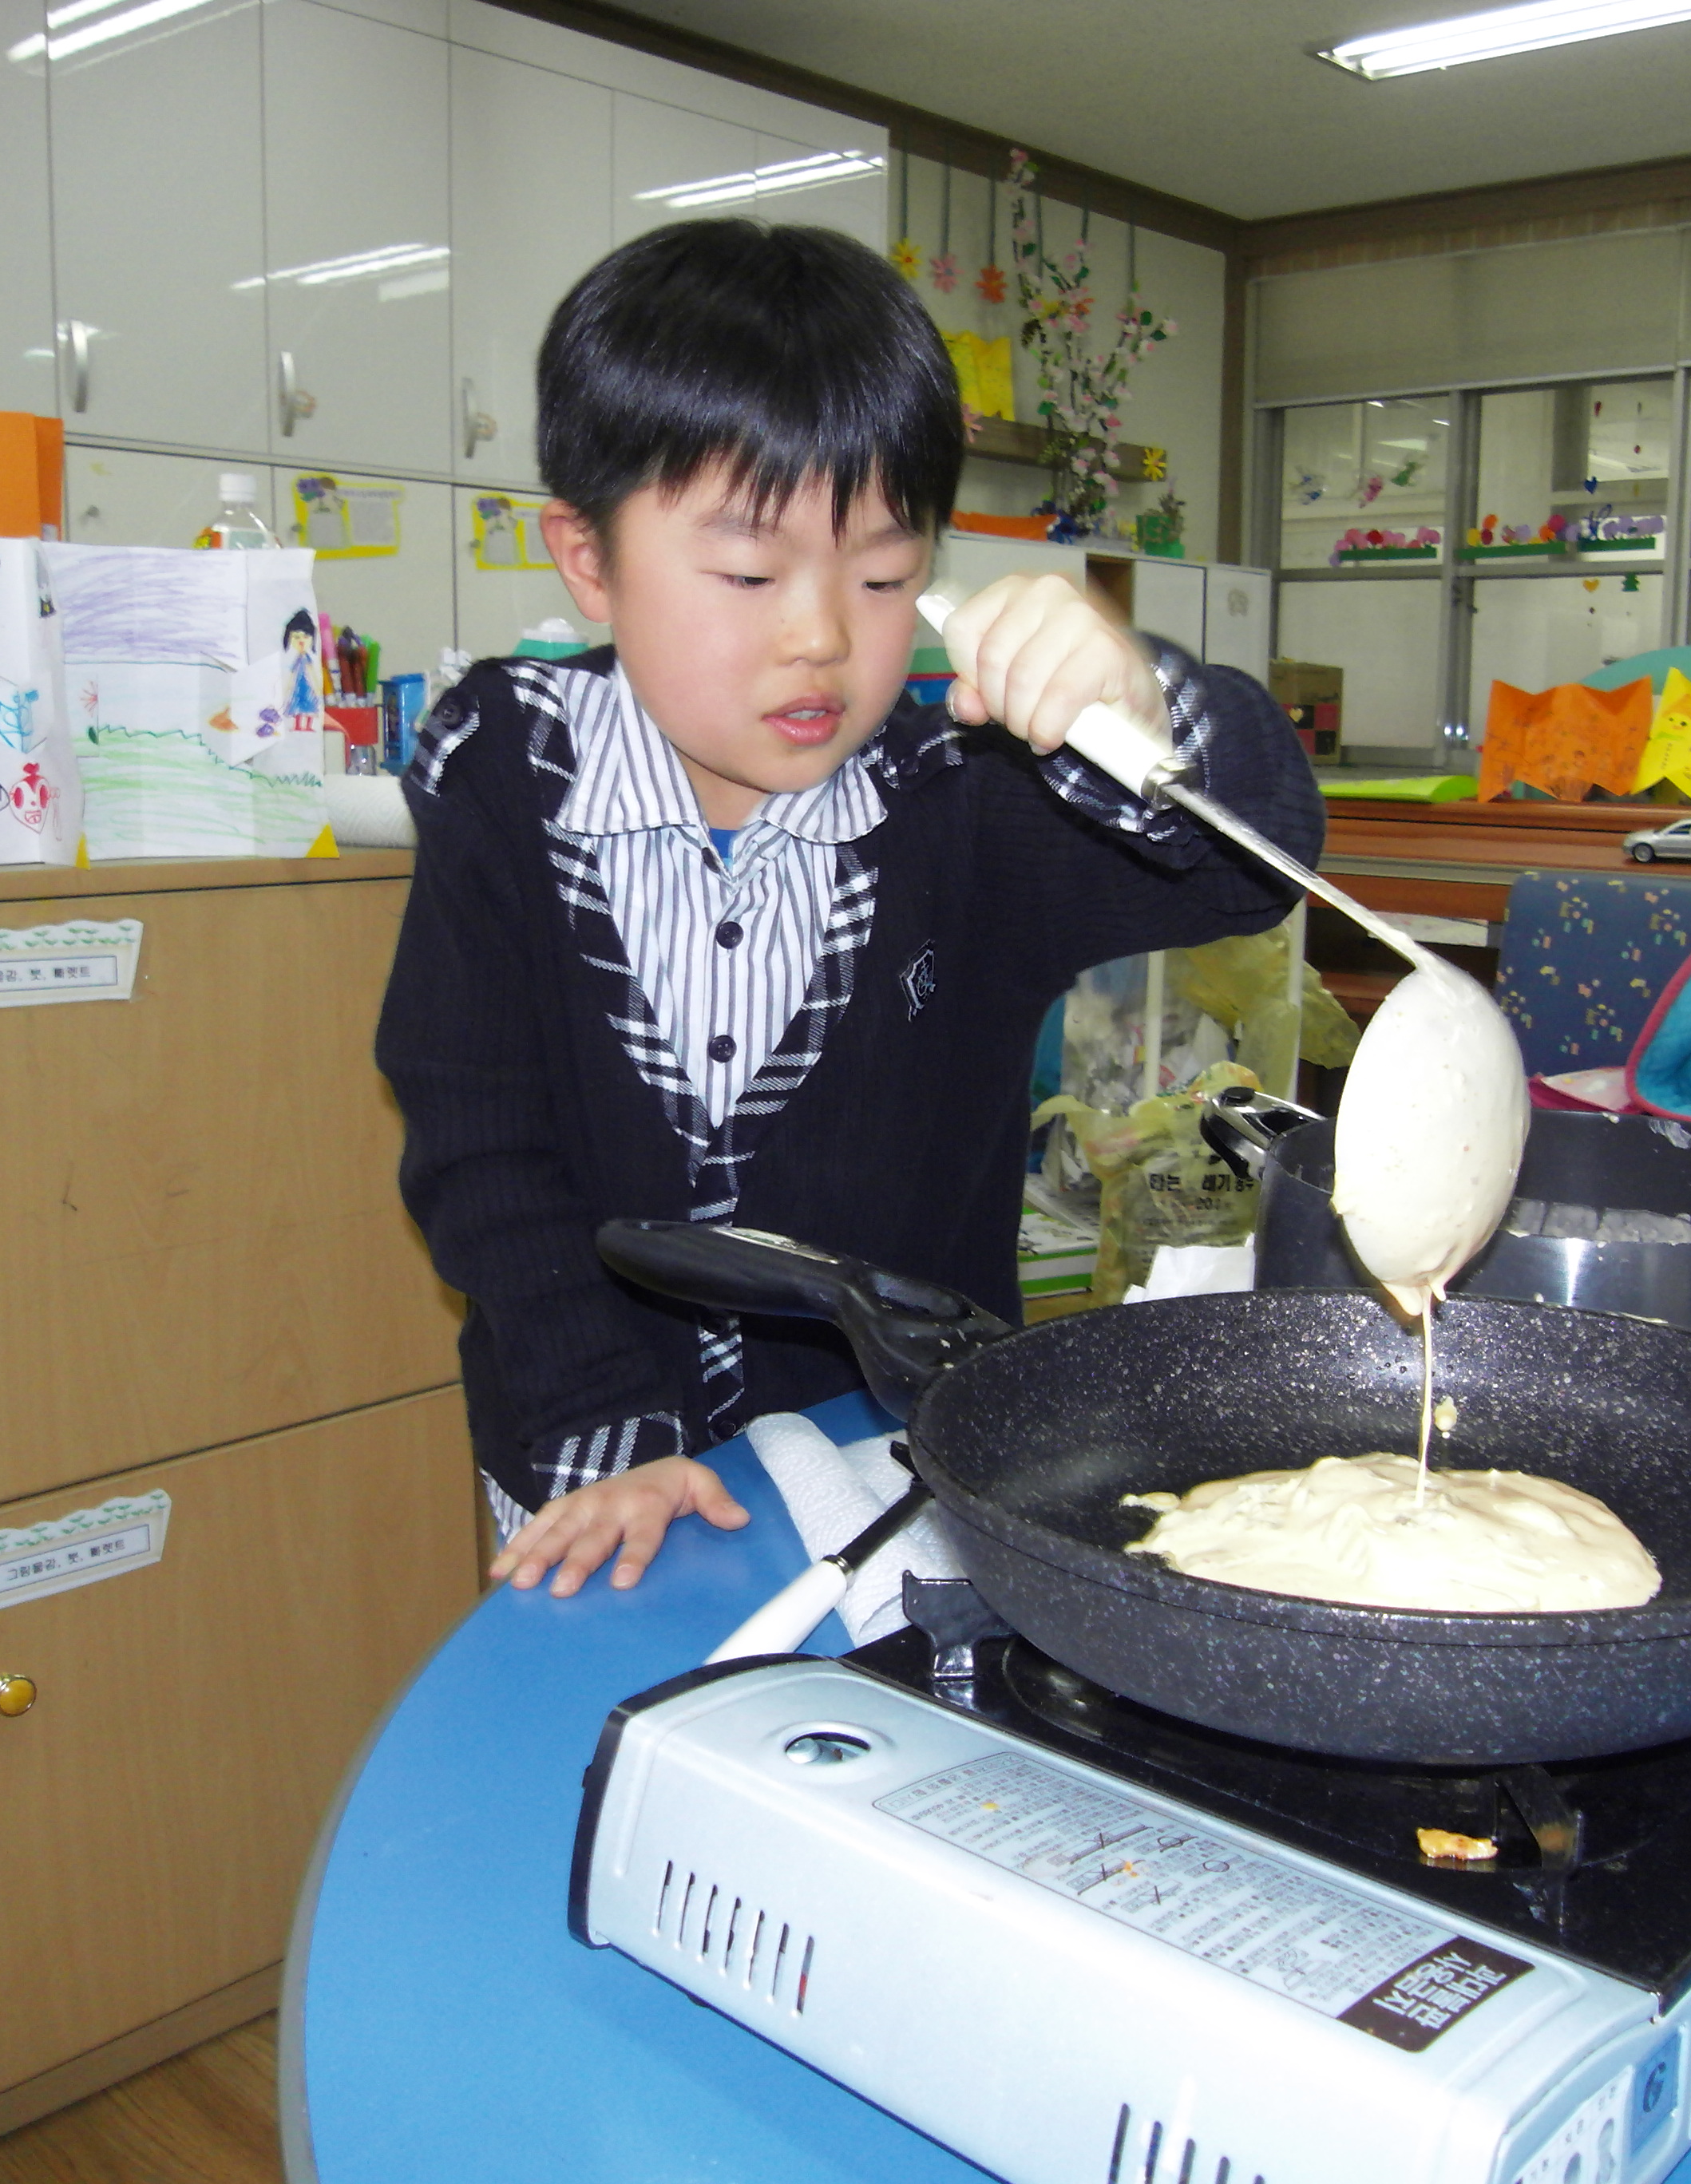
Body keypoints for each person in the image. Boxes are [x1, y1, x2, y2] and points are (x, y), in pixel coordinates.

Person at [375, 220, 1321, 1593]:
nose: (819, 635)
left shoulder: (966, 800)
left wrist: (1144, 704)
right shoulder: (506, 775)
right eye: (749, 576)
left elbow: (1258, 855)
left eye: (883, 577)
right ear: (586, 559)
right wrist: (602, 1421)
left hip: (903, 1472)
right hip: (590, 1466)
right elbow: (478, 1142)